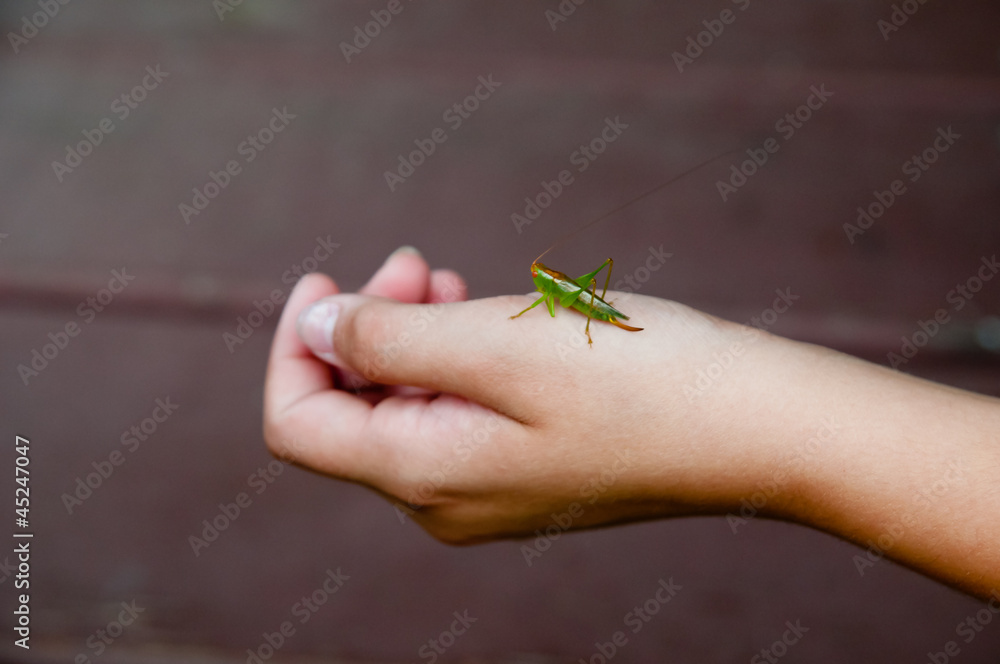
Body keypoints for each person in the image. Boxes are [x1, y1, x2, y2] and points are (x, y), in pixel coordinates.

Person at [263, 246, 1000, 601]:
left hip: (599, 313)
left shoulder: (561, 295)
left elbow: (545, 308)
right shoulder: (542, 292)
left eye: (544, 282)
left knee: (581, 299)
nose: (539, 286)